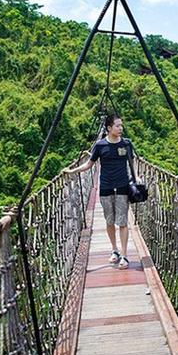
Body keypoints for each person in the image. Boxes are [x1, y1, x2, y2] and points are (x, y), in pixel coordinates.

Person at [63, 115, 137, 270]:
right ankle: (114, 250)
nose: (121, 128)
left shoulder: (126, 144)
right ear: (109, 128)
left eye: (121, 125)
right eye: (117, 126)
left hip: (123, 187)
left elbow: (132, 162)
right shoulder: (100, 145)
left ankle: (124, 255)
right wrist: (73, 170)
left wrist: (137, 178)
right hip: (106, 188)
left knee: (123, 222)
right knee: (110, 221)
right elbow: (89, 164)